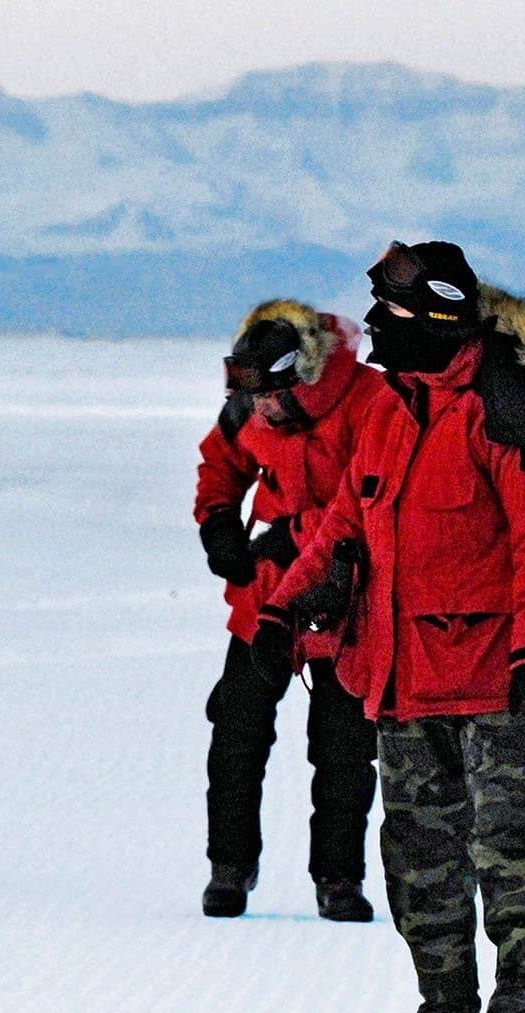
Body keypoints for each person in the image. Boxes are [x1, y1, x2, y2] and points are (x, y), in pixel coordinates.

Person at [252, 241, 525, 1013]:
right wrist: (284, 612)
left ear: (433, 319)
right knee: (419, 860)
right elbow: (345, 527)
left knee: (514, 848)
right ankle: (445, 1009)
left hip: (492, 678)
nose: (370, 329)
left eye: (388, 317)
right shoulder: (389, 412)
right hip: (398, 682)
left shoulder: (507, 407)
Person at [192, 299, 386, 920]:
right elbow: (219, 462)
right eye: (254, 399)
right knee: (236, 730)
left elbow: (371, 499)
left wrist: (296, 532)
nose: (262, 410)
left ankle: (339, 881)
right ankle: (229, 870)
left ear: (300, 377)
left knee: (344, 745)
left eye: (271, 397)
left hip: (347, 596)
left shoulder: (370, 403)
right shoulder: (251, 402)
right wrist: (219, 521)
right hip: (266, 593)